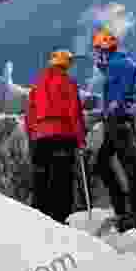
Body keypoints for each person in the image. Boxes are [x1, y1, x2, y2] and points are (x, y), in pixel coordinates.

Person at [91, 25, 136, 231]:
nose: (97, 56)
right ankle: (125, 208)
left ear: (105, 50)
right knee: (104, 162)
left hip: (119, 120)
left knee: (133, 167)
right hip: (115, 121)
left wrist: (113, 107)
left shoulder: (120, 64)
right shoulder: (116, 64)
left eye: (98, 51)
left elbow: (121, 92)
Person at [25, 49, 86, 224]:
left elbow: (29, 114)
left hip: (40, 139)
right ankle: (60, 221)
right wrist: (80, 139)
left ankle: (39, 221)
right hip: (62, 136)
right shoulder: (67, 82)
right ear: (66, 63)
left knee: (41, 181)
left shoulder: (37, 85)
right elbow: (74, 112)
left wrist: (33, 136)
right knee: (62, 181)